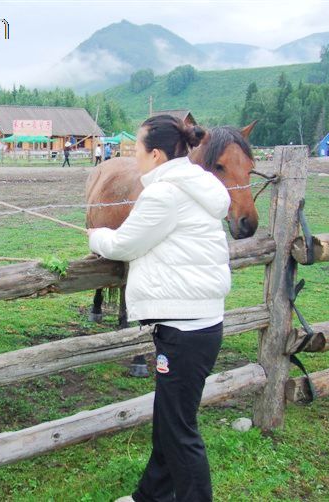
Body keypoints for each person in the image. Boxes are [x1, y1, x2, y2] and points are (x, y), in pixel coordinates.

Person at [87, 114, 231, 502]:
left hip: (186, 329)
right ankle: (149, 496)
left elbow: (124, 246)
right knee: (171, 421)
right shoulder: (197, 184)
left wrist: (95, 235)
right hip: (196, 323)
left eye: (136, 149)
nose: (133, 157)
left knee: (179, 431)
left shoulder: (165, 192)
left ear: (156, 154)